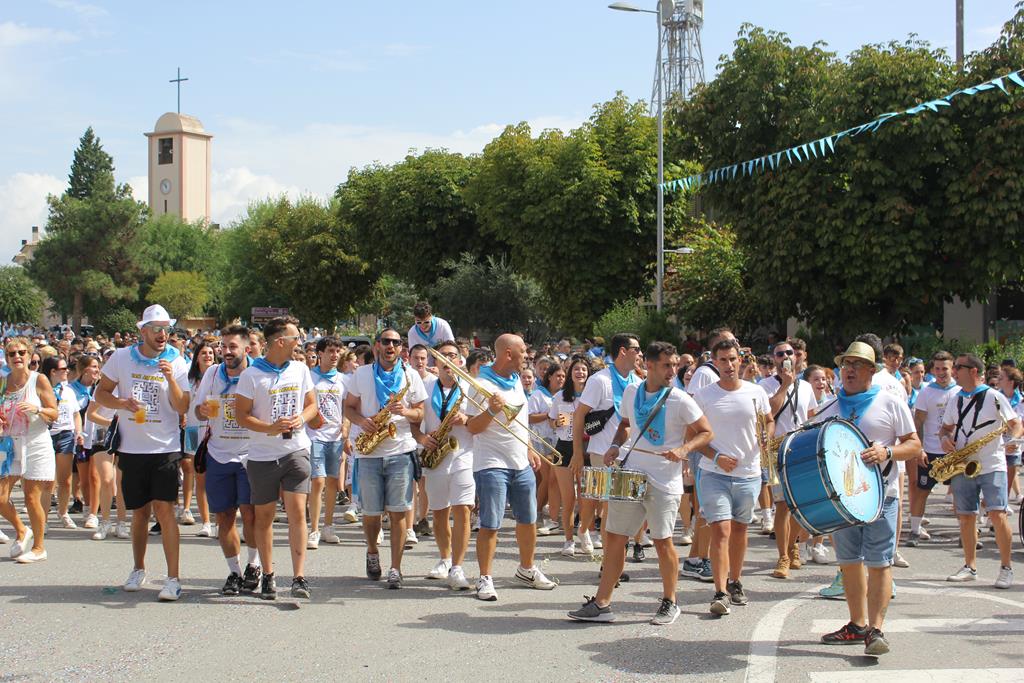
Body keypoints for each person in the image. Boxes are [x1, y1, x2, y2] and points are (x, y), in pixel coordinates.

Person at [568, 342, 712, 625]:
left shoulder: (680, 399)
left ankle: (670, 601)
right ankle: (602, 603)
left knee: (662, 543)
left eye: (674, 365)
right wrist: (614, 445)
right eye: (666, 365)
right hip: (631, 476)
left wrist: (683, 451)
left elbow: (706, 432)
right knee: (615, 539)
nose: (673, 371)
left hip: (664, 481)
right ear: (650, 365)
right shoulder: (633, 391)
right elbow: (624, 425)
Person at [813, 341, 921, 656]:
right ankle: (857, 624)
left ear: (871, 371)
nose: (849, 370)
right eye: (845, 364)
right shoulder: (828, 407)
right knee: (848, 563)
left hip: (880, 497)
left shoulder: (890, 402)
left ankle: (876, 630)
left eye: (857, 365)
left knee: (879, 562)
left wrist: (887, 451)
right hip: (841, 501)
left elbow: (913, 445)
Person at [94, 305, 191, 601]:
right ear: (143, 331)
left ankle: (173, 579)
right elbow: (101, 394)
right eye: (157, 329)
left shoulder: (176, 360)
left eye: (166, 329)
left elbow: (183, 406)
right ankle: (138, 568)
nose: (163, 335)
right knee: (139, 512)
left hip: (165, 447)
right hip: (131, 447)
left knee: (164, 511)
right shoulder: (122, 358)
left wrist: (171, 378)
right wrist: (122, 404)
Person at [234, 316, 319, 601]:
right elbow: (241, 415)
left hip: (296, 450)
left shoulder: (300, 369)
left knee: (297, 514)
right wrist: (269, 428)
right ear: (280, 342)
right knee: (265, 517)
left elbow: (312, 405)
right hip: (262, 456)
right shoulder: (251, 375)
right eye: (296, 338)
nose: (300, 343)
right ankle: (268, 574)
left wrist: (301, 419)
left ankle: (299, 577)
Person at [466, 333, 556, 601]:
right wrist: (492, 411)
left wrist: (528, 448)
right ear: (508, 354)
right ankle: (485, 578)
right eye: (523, 351)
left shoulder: (516, 380)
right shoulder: (479, 383)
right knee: (490, 524)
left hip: (520, 462)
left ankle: (526, 569)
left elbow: (522, 421)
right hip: (491, 463)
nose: (527, 355)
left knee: (528, 520)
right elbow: (472, 427)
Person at [693, 339, 773, 616]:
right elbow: (693, 436)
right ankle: (719, 590)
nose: (729, 365)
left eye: (733, 359)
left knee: (740, 530)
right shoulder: (704, 395)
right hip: (714, 472)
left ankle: (735, 581)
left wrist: (767, 435)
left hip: (749, 473)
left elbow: (768, 420)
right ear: (714, 363)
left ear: (741, 360)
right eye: (723, 360)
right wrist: (716, 457)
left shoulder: (756, 392)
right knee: (721, 530)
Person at [343, 329, 427, 589]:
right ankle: (372, 551)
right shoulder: (362, 374)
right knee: (371, 513)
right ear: (377, 346)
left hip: (400, 450)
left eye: (396, 342)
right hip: (369, 453)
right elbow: (348, 407)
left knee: (400, 512)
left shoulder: (410, 376)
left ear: (402, 348)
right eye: (386, 341)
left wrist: (407, 411)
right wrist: (361, 421)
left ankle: (395, 568)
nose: (391, 346)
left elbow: (421, 413)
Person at [940, 353, 1020, 588]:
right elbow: (945, 428)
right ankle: (970, 566)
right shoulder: (956, 399)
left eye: (958, 367)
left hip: (992, 463)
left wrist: (1010, 441)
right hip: (964, 464)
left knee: (998, 514)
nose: (954, 371)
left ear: (973, 371)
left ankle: (1006, 568)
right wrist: (945, 439)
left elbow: (1016, 424)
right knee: (966, 517)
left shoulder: (994, 396)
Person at [194, 325, 262, 595]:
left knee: (250, 514)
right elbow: (200, 414)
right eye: (224, 346)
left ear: (247, 349)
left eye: (233, 347)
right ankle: (233, 571)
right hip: (218, 454)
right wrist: (200, 411)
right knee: (224, 516)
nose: (227, 352)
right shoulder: (212, 373)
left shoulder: (258, 373)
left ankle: (254, 565)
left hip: (250, 455)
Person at [570, 333, 643, 560]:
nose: (641, 354)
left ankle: (612, 558)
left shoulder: (638, 383)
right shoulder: (600, 380)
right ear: (623, 351)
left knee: (624, 509)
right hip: (602, 452)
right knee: (608, 507)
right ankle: (607, 562)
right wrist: (578, 454)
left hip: (630, 455)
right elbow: (579, 415)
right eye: (636, 349)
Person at [411, 339, 474, 590]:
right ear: (436, 362)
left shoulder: (470, 387)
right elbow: (414, 422)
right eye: (443, 356)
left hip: (464, 455)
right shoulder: (425, 386)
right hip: (436, 456)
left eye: (453, 356)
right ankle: (444, 558)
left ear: (460, 361)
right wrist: (421, 438)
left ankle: (457, 567)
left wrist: (467, 418)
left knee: (462, 510)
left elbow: (481, 421)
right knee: (439, 513)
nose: (449, 361)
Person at [761, 341, 817, 577]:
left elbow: (811, 416)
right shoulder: (764, 385)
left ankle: (794, 545)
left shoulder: (805, 386)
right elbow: (768, 414)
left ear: (796, 357)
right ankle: (783, 555)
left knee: (798, 504)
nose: (785, 356)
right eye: (779, 354)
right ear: (773, 359)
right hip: (777, 450)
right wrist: (785, 385)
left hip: (801, 448)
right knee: (782, 505)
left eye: (789, 353)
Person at [0, 336, 58, 563]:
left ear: (29, 355)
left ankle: (38, 547)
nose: (17, 357)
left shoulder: (39, 380)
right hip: (9, 443)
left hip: (35, 442)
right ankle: (22, 530)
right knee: (1, 497)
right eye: (12, 354)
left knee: (31, 497)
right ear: (6, 358)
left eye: (21, 352)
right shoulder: (3, 383)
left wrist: (37, 408)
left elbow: (54, 412)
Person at [906, 351, 958, 547]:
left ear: (952, 368)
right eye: (937, 368)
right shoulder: (927, 392)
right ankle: (914, 530)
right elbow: (918, 422)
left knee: (960, 492)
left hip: (955, 452)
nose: (941, 372)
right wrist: (919, 449)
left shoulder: (960, 390)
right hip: (931, 450)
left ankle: (967, 530)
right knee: (922, 490)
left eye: (944, 368)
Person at [306, 336, 348, 549]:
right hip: (315, 436)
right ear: (320, 353)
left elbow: (347, 408)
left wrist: (346, 427)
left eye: (337, 351)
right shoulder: (309, 377)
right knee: (318, 481)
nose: (334, 355)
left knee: (332, 481)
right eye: (330, 351)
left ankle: (328, 526)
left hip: (335, 437)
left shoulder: (344, 379)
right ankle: (313, 529)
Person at [41, 356, 84, 529]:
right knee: (47, 481)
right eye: (63, 368)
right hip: (46, 435)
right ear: (52, 372)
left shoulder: (68, 391)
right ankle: (42, 519)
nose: (67, 371)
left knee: (65, 480)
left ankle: (63, 512)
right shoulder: (42, 390)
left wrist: (78, 432)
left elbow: (76, 414)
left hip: (66, 435)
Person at [548, 358, 583, 555]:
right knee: (568, 498)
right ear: (570, 373)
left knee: (586, 497)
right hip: (564, 447)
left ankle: (586, 531)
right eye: (576, 369)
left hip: (585, 447)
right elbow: (551, 421)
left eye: (583, 369)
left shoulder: (592, 395)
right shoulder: (560, 396)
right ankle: (569, 540)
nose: (580, 372)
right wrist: (556, 424)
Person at [181, 339, 216, 536]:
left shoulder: (220, 377)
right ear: (197, 358)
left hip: (214, 431)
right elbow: (183, 404)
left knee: (216, 475)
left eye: (210, 353)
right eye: (204, 353)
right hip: (194, 430)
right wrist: (182, 416)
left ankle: (218, 518)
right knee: (198, 474)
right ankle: (206, 522)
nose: (208, 356)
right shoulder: (189, 380)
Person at [998, 365, 1024, 504]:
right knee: (997, 482)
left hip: (1014, 446)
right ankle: (987, 508)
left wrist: (1014, 438)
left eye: (1001, 378)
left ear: (1011, 382)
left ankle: (1001, 507)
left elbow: (1022, 424)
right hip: (996, 445)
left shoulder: (1021, 400)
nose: (998, 380)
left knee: (1007, 482)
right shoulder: (995, 397)